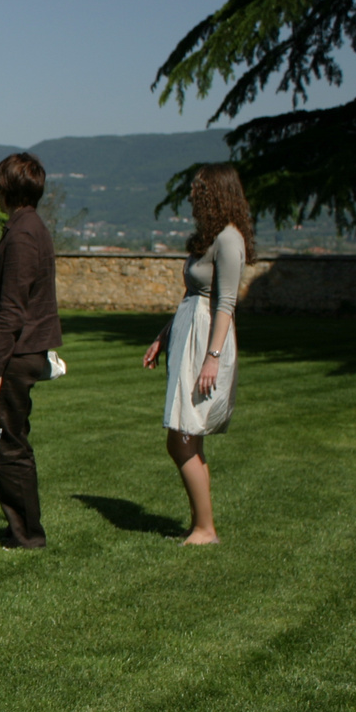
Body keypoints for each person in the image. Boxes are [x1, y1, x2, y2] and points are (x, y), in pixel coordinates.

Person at [142, 163, 254, 545]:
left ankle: (205, 528)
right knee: (188, 435)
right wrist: (163, 335)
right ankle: (200, 525)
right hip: (188, 332)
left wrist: (213, 356)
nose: (191, 197)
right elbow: (190, 297)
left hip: (207, 337)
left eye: (198, 191)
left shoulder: (229, 240)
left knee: (182, 437)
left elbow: (225, 303)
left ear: (216, 194)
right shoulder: (208, 239)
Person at [0, 152, 62, 549]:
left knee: (10, 441)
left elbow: (12, 309)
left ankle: (27, 533)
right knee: (6, 437)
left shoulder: (23, 234)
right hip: (19, 351)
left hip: (16, 353)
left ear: (4, 188)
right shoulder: (28, 227)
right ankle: (18, 526)